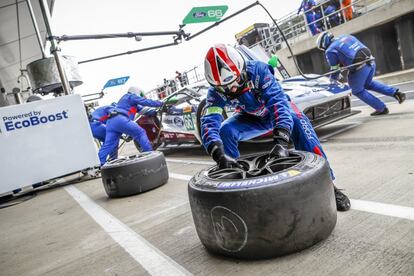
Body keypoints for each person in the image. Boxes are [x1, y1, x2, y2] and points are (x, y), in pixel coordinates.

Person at [201, 44, 350, 211]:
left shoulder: (259, 71)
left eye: (233, 83)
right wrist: (219, 155)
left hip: (281, 112)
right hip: (251, 118)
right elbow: (209, 122)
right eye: (224, 88)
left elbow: (278, 104)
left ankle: (330, 185)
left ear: (241, 68)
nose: (231, 90)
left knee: (302, 127)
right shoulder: (215, 92)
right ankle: (232, 186)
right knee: (225, 130)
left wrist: (281, 142)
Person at [316, 32, 406, 115]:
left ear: (323, 44)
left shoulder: (330, 50)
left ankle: (381, 108)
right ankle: (395, 93)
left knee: (357, 90)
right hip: (371, 61)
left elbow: (335, 70)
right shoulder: (346, 36)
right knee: (368, 84)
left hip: (360, 67)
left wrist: (332, 82)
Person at [98, 86, 163, 165]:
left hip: (111, 122)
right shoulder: (130, 96)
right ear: (137, 92)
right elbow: (146, 102)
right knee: (140, 132)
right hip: (120, 119)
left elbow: (143, 110)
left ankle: (99, 164)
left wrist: (153, 112)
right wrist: (160, 103)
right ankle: (150, 154)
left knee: (108, 145)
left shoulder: (127, 102)